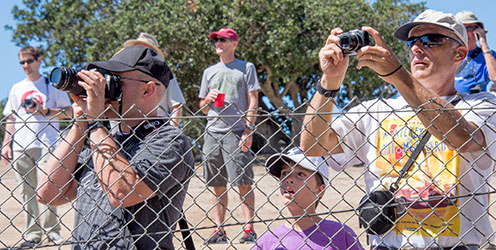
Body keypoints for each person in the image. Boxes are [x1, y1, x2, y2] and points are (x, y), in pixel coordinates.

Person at [300, 9, 496, 249]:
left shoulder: (482, 105)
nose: (416, 48)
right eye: (412, 42)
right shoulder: (377, 109)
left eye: (430, 40)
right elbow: (313, 145)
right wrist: (329, 81)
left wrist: (397, 75)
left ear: (460, 53)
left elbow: (463, 138)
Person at [36, 46, 194, 249]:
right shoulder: (104, 139)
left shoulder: (170, 141)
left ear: (148, 89)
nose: (102, 90)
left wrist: (95, 122)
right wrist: (80, 125)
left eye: (114, 81)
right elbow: (47, 194)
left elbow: (122, 194)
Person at [1, 46, 72, 247]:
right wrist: (7, 144)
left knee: (46, 189)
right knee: (26, 192)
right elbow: (11, 118)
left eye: (29, 61)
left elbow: (69, 112)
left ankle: (53, 231)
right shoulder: (16, 88)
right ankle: (32, 233)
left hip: (47, 143)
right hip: (21, 145)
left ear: (39, 60)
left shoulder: (51, 85)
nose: (25, 66)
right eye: (22, 62)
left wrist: (46, 111)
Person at [198, 27, 260, 244]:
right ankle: (219, 230)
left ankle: (249, 229)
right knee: (217, 185)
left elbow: (253, 100)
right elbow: (202, 108)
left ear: (234, 43)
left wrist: (248, 129)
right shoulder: (209, 72)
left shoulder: (246, 68)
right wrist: (207, 99)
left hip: (236, 132)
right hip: (212, 133)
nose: (218, 43)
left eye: (223, 40)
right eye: (216, 40)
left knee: (243, 182)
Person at [254, 147, 363, 250]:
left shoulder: (339, 235)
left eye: (301, 174)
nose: (288, 179)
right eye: (285, 173)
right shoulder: (267, 242)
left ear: (320, 190)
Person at [124, 32, 186, 127]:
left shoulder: (165, 74)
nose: (140, 52)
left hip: (155, 131)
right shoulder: (123, 72)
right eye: (137, 48)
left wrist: (169, 134)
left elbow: (177, 107)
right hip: (127, 132)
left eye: (145, 50)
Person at [454, 11, 496, 94]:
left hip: (475, 102)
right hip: (447, 102)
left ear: (477, 31)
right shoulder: (447, 54)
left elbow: (494, 77)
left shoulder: (488, 55)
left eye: (468, 28)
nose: (465, 33)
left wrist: (483, 43)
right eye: (461, 29)